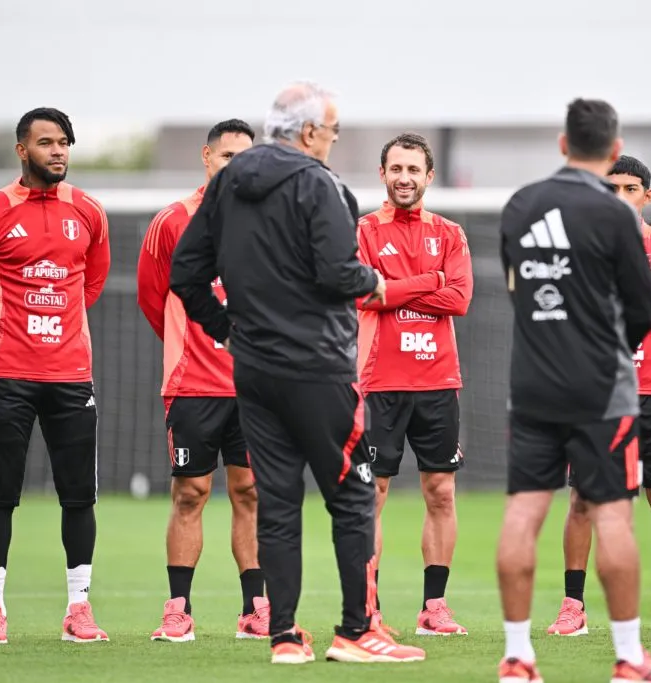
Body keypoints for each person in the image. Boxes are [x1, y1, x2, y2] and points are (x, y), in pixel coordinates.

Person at [169, 81, 425, 665]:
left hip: (254, 372)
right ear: (309, 132)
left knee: (278, 503)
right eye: (332, 132)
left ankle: (284, 637)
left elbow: (186, 273)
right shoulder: (320, 183)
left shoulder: (229, 180)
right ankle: (358, 632)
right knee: (354, 497)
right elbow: (339, 272)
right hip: (319, 370)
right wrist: (375, 282)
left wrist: (229, 329)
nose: (332, 141)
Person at [496, 98, 651, 683]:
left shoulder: (521, 205)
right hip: (603, 390)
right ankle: (629, 658)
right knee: (613, 521)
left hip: (531, 386)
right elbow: (639, 306)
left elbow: (515, 290)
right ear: (614, 146)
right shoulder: (616, 216)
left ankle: (518, 656)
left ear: (562, 143)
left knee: (524, 515)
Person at [0, 107, 111, 645]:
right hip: (7, 375)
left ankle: (79, 609)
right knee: (0, 497)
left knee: (79, 498)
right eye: (46, 142)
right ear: (23, 151)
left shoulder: (88, 211)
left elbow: (91, 283)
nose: (58, 151)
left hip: (71, 375)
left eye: (64, 141)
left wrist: (60, 334)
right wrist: (3, 336)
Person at [547, 155, 651, 638]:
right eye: (611, 188)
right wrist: (646, 294)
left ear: (646, 196)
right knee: (582, 500)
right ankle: (571, 606)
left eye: (630, 188)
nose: (620, 197)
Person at [137, 119, 268, 642]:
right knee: (190, 493)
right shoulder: (173, 220)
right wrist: (184, 344)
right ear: (206, 157)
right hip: (193, 384)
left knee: (251, 493)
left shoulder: (269, 220)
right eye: (227, 156)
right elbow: (153, 296)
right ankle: (178, 610)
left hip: (255, 387)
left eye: (246, 158)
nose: (236, 166)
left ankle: (255, 609)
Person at [355, 132, 473, 636]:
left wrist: (395, 290)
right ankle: (368, 609)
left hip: (438, 381)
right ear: (383, 174)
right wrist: (429, 282)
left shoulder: (450, 233)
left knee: (441, 492)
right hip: (380, 381)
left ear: (429, 176)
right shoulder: (361, 230)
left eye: (413, 170)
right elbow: (363, 293)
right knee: (372, 494)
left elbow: (461, 299)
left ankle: (434, 607)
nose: (405, 178)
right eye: (396, 169)